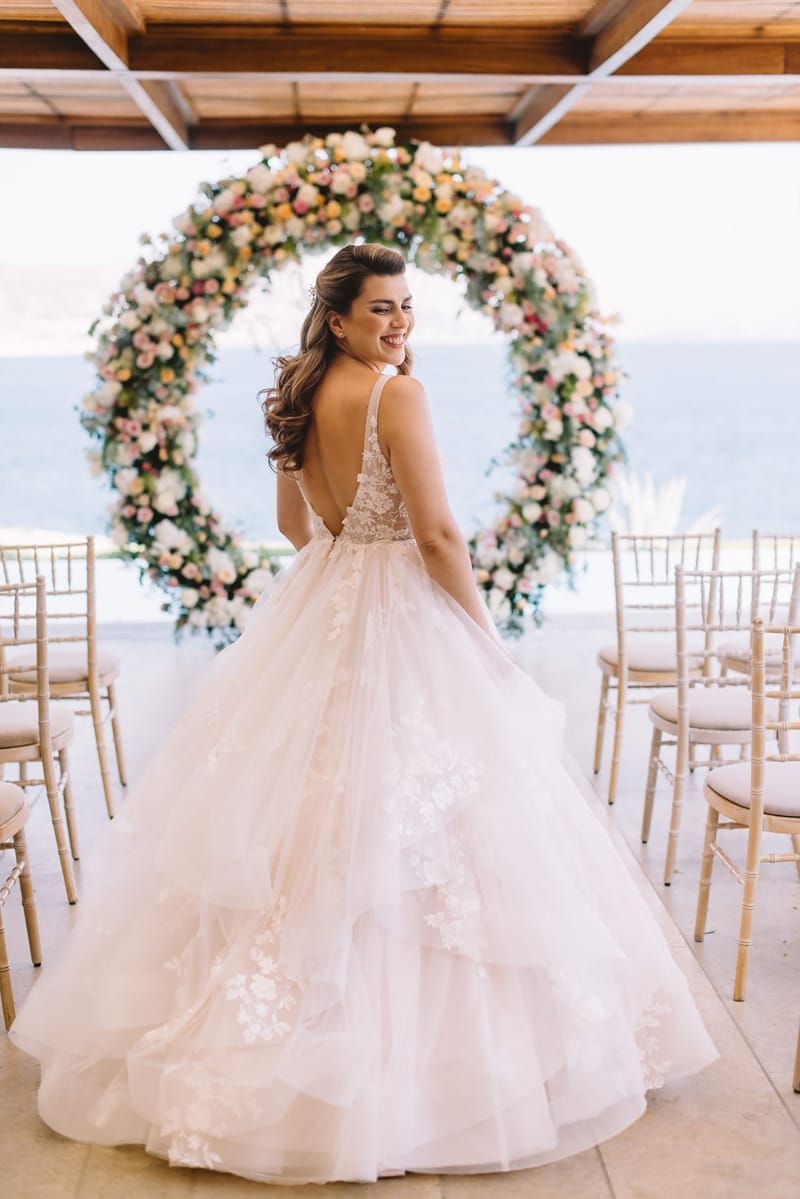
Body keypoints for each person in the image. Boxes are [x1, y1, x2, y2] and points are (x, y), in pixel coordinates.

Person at [10, 243, 716, 1184]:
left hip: (326, 601)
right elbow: (437, 533)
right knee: (429, 821)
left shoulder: (303, 398)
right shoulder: (398, 397)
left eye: (406, 307)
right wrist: (484, 644)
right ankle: (435, 1073)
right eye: (379, 310)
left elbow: (297, 528)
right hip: (401, 613)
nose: (398, 324)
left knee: (318, 815)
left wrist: (347, 539)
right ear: (337, 316)